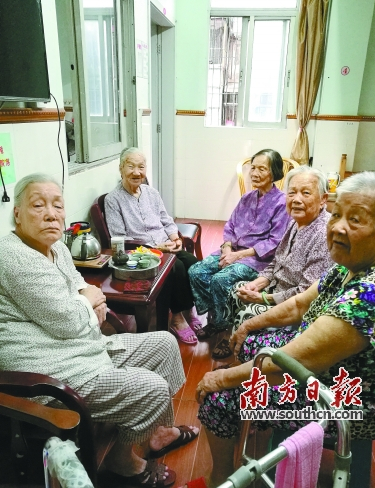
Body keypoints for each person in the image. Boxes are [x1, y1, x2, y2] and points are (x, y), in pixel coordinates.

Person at [195, 171, 375, 487]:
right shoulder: (350, 265)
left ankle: (220, 478)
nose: (338, 227)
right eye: (337, 215)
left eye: (355, 220)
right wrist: (248, 324)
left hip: (353, 398)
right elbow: (299, 305)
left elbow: (291, 362)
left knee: (219, 398)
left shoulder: (372, 293)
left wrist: (221, 378)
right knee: (251, 343)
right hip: (324, 365)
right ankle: (262, 429)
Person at [0, 173, 199, 486]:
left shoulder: (56, 247)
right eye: (38, 205)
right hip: (51, 369)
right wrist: (87, 304)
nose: (51, 214)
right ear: (17, 213)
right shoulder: (14, 257)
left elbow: (81, 288)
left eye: (57, 205)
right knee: (152, 388)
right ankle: (122, 461)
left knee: (164, 344)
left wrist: (86, 301)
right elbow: (69, 321)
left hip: (82, 345)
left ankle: (157, 433)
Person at [212, 166, 334, 360]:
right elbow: (276, 261)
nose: (296, 199)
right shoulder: (295, 221)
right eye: (291, 193)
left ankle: (244, 364)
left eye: (306, 193)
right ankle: (233, 340)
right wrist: (257, 283)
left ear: (323, 199)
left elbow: (304, 294)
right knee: (237, 291)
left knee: (248, 313)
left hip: (295, 306)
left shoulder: (324, 234)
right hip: (276, 287)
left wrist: (264, 299)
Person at [188, 149, 291, 340]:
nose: (254, 173)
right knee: (196, 271)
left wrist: (238, 256)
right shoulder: (246, 198)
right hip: (233, 250)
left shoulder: (282, 203)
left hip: (257, 260)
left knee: (220, 280)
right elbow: (230, 225)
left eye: (262, 169)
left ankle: (221, 327)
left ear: (274, 173)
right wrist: (227, 248)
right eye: (253, 168)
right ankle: (217, 315)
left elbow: (275, 242)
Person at [105, 147, 200, 345]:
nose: (136, 172)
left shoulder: (152, 193)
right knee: (176, 267)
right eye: (131, 166)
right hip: (141, 252)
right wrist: (155, 247)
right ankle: (177, 318)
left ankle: (188, 308)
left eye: (141, 167)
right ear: (121, 168)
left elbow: (166, 219)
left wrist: (175, 239)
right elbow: (119, 237)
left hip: (165, 244)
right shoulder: (113, 200)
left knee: (192, 262)